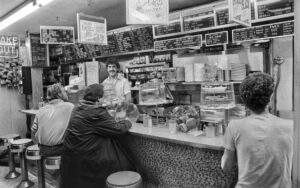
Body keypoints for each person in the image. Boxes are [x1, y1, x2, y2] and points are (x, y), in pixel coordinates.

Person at [221, 72, 293, 188]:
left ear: (244, 100)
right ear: (270, 98)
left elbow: (226, 166)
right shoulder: (291, 126)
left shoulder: (234, 126)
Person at [60, 84, 136, 188]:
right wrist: (128, 121)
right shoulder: (96, 112)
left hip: (71, 157)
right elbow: (118, 129)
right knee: (125, 163)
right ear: (99, 98)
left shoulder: (78, 108)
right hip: (87, 159)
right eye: (105, 97)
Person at [31, 83, 74, 157]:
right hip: (59, 149)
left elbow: (34, 130)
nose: (66, 93)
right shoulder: (69, 107)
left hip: (43, 149)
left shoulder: (42, 109)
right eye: (64, 91)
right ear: (59, 94)